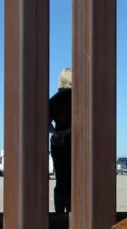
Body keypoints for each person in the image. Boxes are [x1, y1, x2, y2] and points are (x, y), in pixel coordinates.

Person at [49, 68, 72, 214]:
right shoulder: (79, 98)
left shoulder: (55, 99)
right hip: (75, 141)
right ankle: (72, 213)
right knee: (74, 180)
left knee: (61, 180)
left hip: (58, 142)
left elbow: (45, 120)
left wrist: (57, 132)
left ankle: (59, 214)